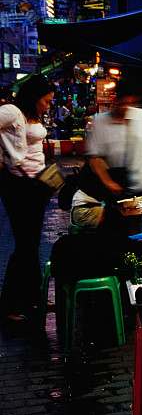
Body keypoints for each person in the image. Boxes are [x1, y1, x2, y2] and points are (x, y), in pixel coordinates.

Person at [0, 74, 56, 322]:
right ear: (34, 97)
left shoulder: (31, 115)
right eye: (45, 101)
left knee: (32, 243)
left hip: (36, 184)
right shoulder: (12, 111)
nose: (47, 106)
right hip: (18, 185)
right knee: (24, 244)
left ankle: (34, 296)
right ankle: (9, 305)